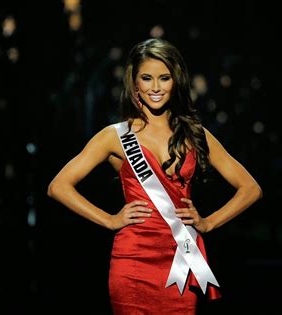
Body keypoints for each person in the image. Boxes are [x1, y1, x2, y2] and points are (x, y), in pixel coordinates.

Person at [47, 38, 262, 314]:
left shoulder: (195, 135)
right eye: (147, 78)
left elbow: (250, 188)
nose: (156, 87)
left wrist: (209, 223)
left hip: (180, 262)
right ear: (135, 83)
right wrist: (109, 220)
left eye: (165, 78)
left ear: (176, 81)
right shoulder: (115, 136)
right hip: (132, 263)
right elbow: (58, 186)